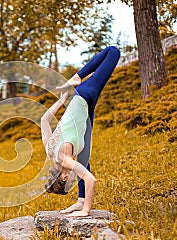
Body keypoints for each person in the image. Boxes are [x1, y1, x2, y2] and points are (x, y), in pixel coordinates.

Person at [41, 46, 120, 217]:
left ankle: (77, 76)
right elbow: (44, 121)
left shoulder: (65, 161)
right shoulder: (49, 150)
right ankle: (81, 200)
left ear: (63, 178)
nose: (72, 180)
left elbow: (91, 180)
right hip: (83, 109)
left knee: (113, 52)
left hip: (84, 96)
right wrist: (62, 100)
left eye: (70, 183)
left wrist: (86, 212)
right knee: (84, 157)